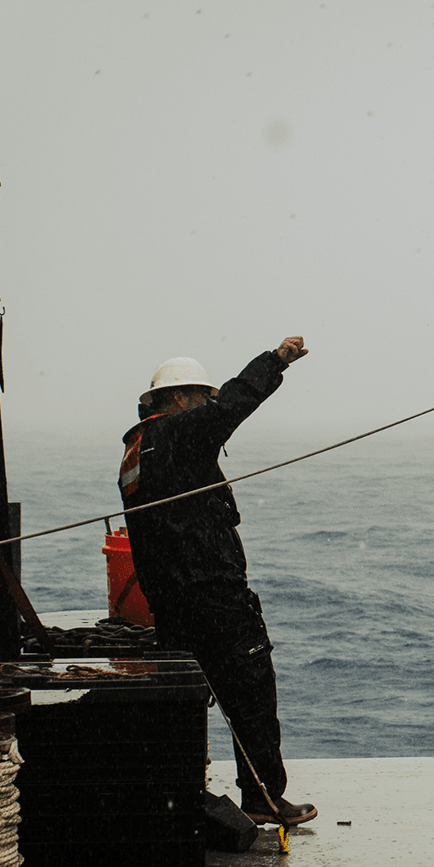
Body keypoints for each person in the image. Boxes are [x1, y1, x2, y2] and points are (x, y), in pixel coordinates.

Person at [119, 337, 316, 826]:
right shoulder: (177, 434)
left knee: (186, 699)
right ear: (180, 399)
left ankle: (179, 796)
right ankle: (262, 796)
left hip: (171, 598)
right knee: (250, 690)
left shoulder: (136, 451)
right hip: (210, 592)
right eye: (200, 398)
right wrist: (275, 361)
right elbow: (231, 404)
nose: (207, 406)